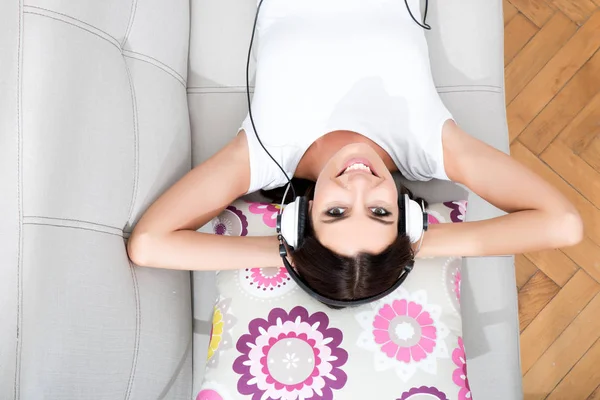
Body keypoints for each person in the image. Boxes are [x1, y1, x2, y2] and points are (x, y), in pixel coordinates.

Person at [126, 0, 583, 304]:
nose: (360, 184)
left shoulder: (263, 153)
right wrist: (411, 247)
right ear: (407, 214)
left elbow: (149, 244)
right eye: (381, 213)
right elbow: (563, 224)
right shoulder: (428, 144)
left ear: (299, 218)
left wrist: (291, 254)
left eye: (337, 211)